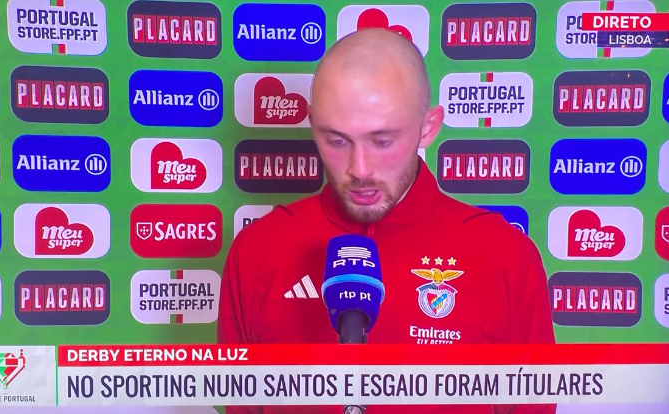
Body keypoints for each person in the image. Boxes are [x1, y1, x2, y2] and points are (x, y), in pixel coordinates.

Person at [218, 28, 555, 414]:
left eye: (382, 141)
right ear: (313, 125)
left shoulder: (505, 254)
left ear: (428, 127)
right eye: (337, 140)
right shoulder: (258, 250)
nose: (360, 169)